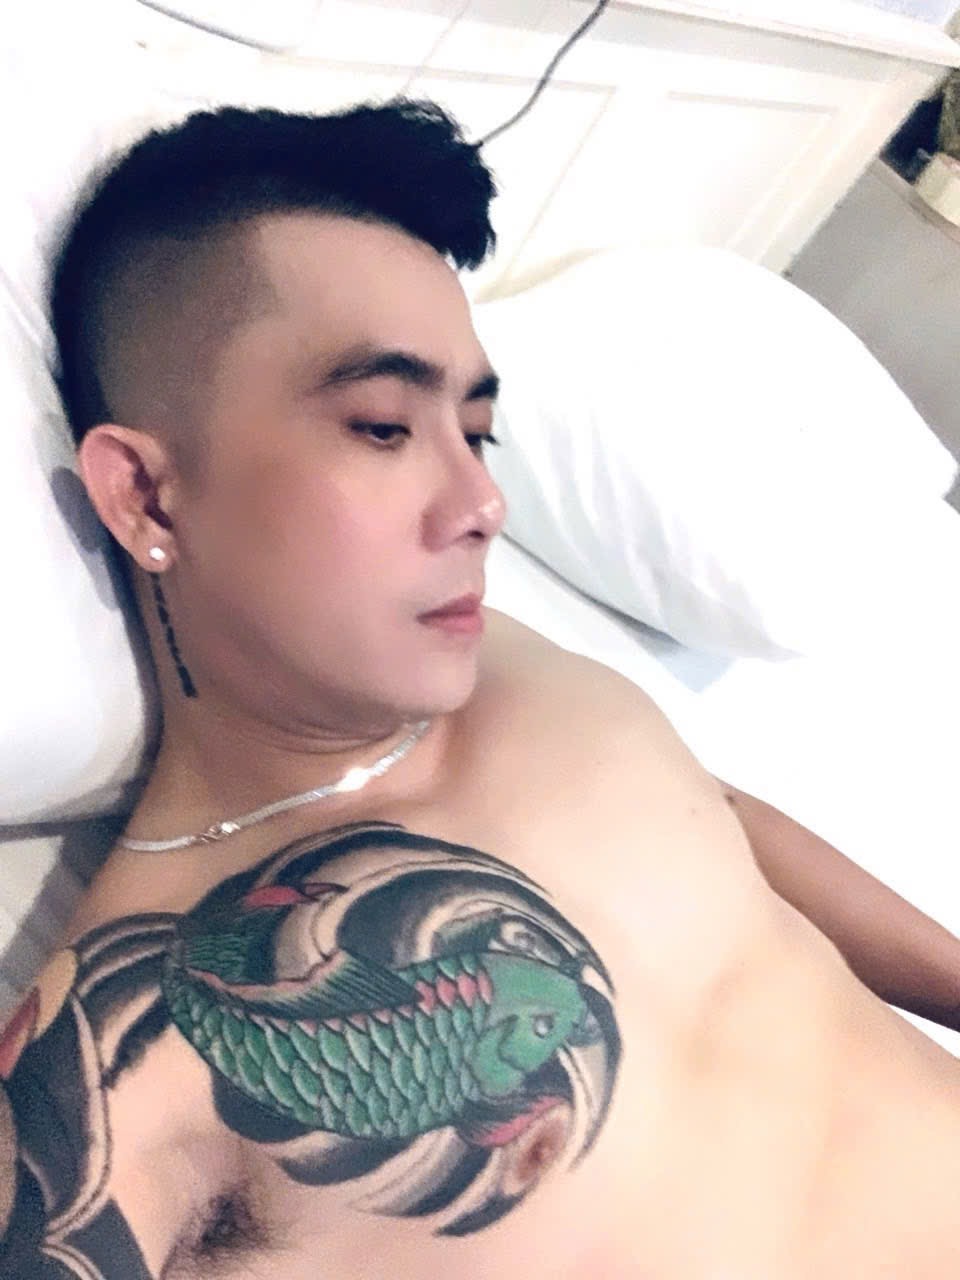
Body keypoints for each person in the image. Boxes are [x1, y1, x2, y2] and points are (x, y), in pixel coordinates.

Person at [1, 98, 959, 1280]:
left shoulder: (517, 667)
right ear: (147, 496)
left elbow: (713, 817)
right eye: (382, 426)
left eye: (477, 434)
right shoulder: (124, 1052)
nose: (483, 504)